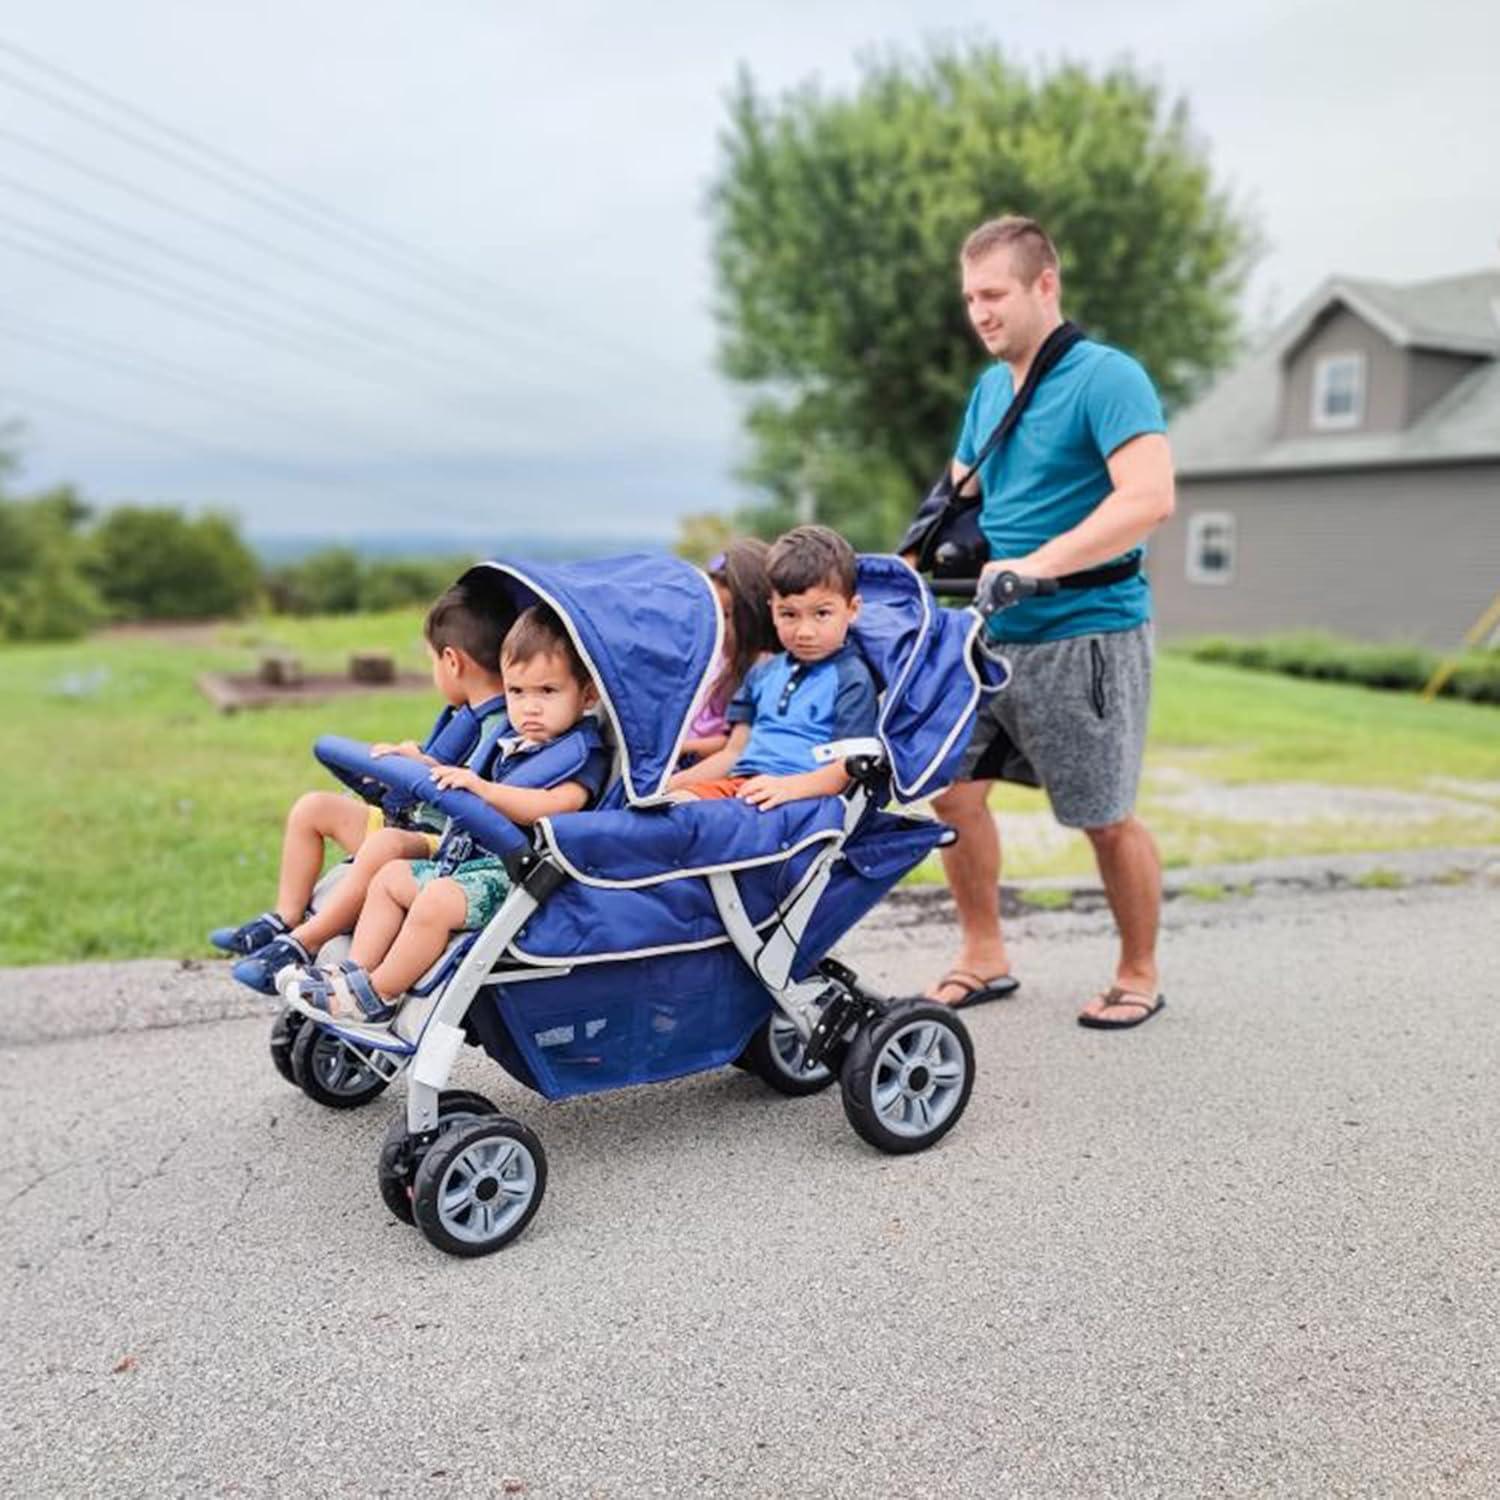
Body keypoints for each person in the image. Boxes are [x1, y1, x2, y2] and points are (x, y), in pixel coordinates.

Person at [914, 215, 1175, 1029]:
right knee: (952, 797)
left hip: (1085, 631)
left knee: (1103, 816)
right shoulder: (991, 390)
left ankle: (1139, 972)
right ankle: (984, 955)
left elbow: (1149, 497)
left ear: (1044, 286)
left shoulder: (1108, 378)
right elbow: (956, 501)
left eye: (994, 294)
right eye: (970, 298)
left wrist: (1040, 563)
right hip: (990, 634)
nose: (980, 313)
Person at [288, 604, 610, 1024]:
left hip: (514, 878)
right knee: (389, 878)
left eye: (547, 692)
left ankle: (380, 994)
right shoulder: (511, 740)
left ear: (586, 695)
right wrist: (418, 763)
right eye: (517, 692)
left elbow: (553, 806)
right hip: (467, 862)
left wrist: (485, 790)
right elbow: (460, 776)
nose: (529, 707)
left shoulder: (582, 756)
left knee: (436, 901)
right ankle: (353, 975)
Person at [214, 584, 513, 993]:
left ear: (452, 661)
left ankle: (305, 942)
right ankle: (285, 917)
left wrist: (426, 768)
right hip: (414, 821)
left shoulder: (504, 727)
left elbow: (480, 796)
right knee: (313, 808)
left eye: (432, 662)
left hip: (447, 843)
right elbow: (439, 766)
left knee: (384, 845)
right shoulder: (464, 716)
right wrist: (412, 760)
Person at [670, 524, 878, 810]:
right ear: (772, 610)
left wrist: (788, 787)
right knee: (669, 804)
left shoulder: (851, 679)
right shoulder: (764, 673)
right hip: (740, 786)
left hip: (796, 799)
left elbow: (849, 766)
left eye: (821, 614)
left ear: (852, 610)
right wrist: (673, 786)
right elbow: (734, 752)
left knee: (680, 823)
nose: (805, 631)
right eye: (789, 614)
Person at [678, 539, 775, 765]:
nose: (717, 625)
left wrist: (683, 748)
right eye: (713, 613)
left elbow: (735, 743)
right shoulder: (717, 659)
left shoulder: (762, 670)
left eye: (727, 616)